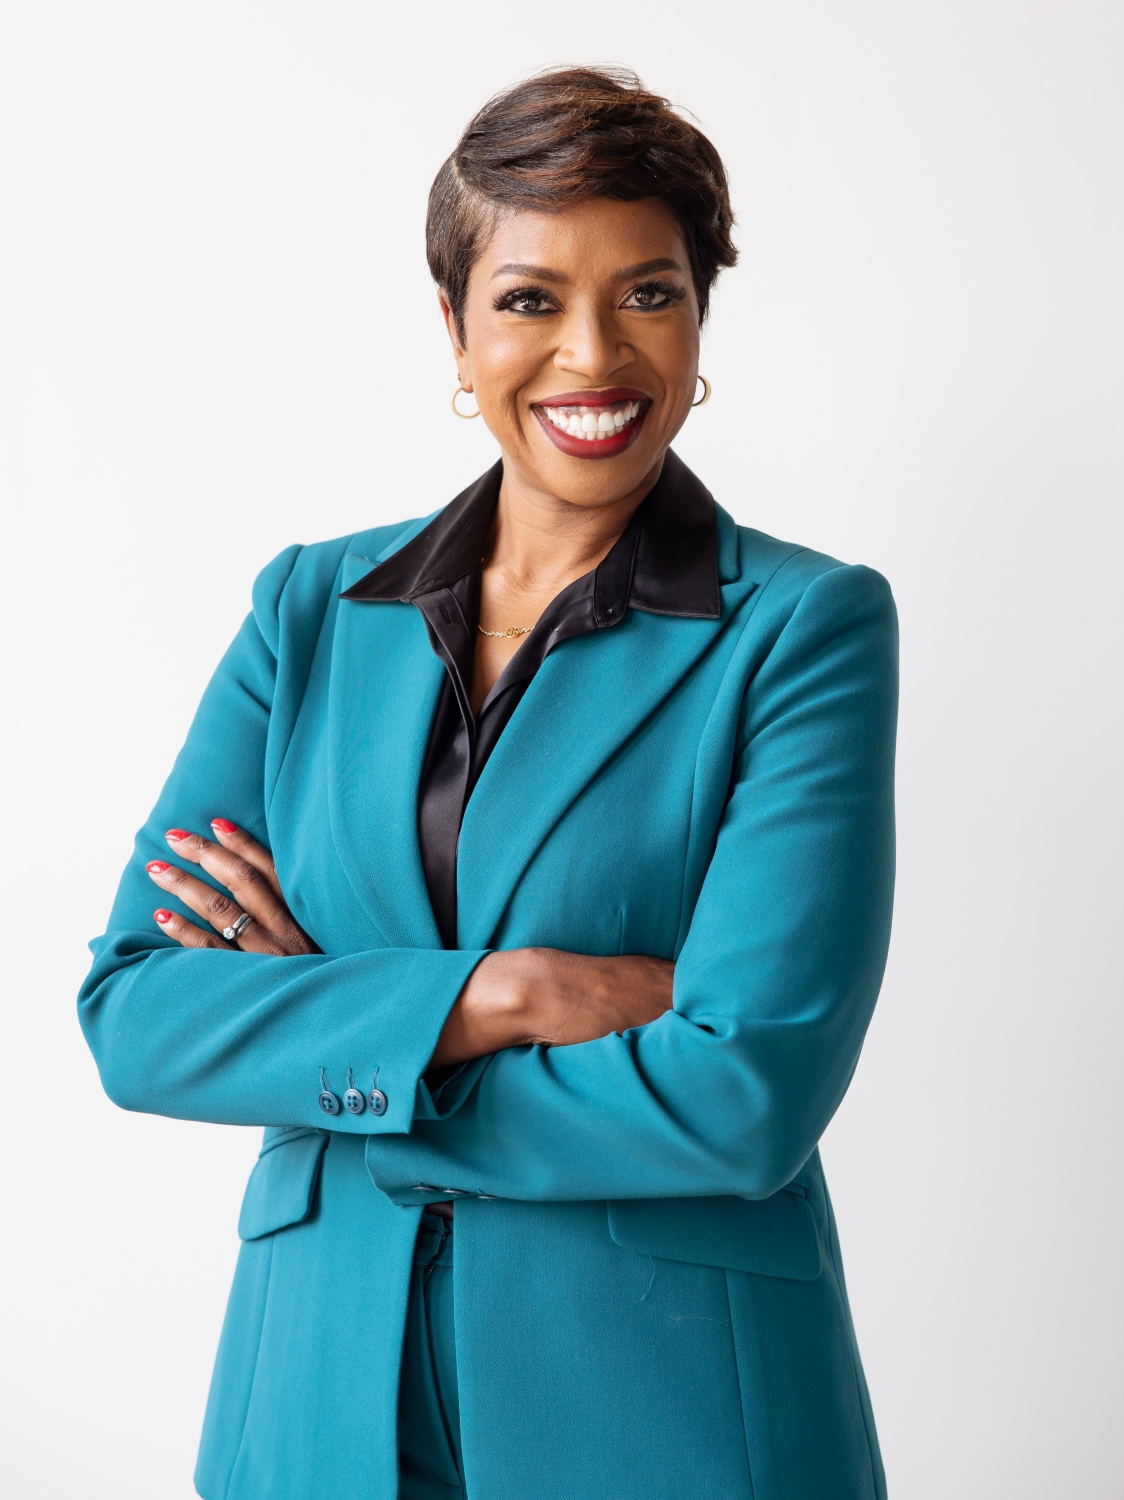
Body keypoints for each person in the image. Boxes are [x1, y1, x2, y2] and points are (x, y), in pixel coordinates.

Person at [80, 66, 898, 1500]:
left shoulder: (802, 628)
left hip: (663, 1412)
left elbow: (746, 1090)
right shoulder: (309, 612)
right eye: (530, 298)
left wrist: (356, 1049)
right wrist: (507, 995)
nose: (593, 354)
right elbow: (141, 1016)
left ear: (699, 321)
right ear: (455, 330)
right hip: (316, 1391)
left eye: (647, 294)